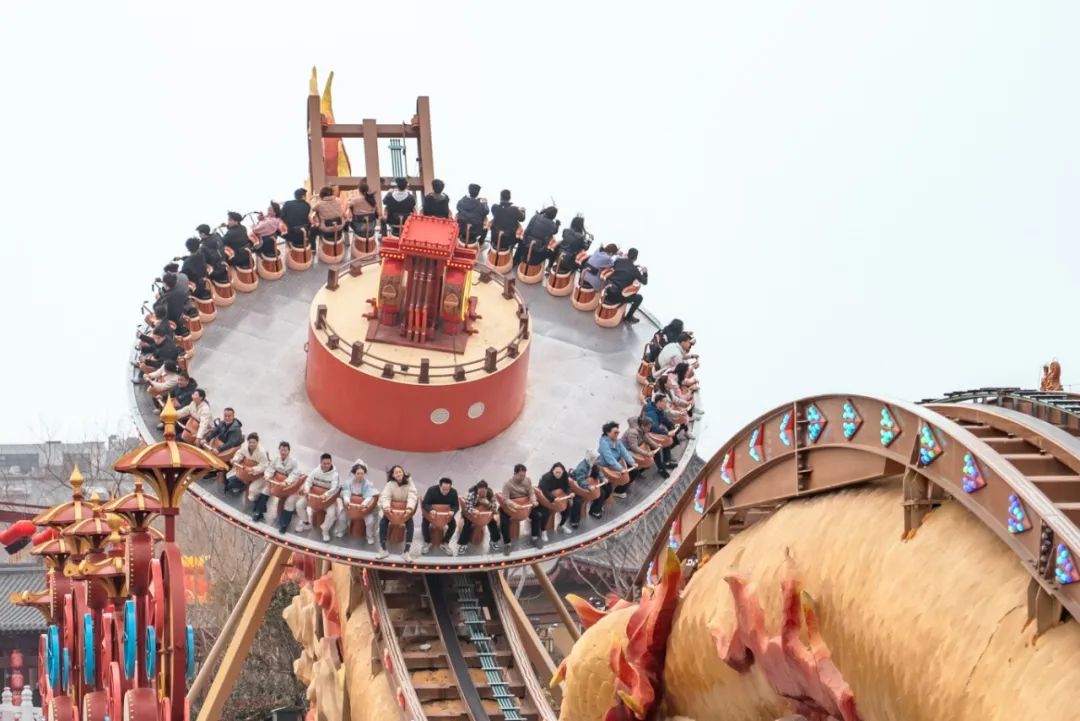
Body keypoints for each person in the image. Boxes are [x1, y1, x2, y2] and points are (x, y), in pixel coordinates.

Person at [294, 453, 341, 542]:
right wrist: (307, 489)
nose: (326, 465)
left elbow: (334, 488)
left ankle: (325, 530)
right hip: (313, 497)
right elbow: (308, 481)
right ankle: (306, 523)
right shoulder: (315, 471)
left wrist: (325, 495)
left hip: (327, 499)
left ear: (331, 462)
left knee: (331, 514)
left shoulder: (335, 475)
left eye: (328, 463)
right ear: (320, 462)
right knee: (299, 505)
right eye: (324, 463)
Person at [376, 465, 418, 560]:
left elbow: (412, 495)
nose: (398, 474)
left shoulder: (410, 482)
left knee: (410, 524)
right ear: (393, 475)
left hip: (405, 509)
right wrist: (386, 507)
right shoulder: (390, 484)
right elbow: (385, 496)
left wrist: (409, 508)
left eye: (400, 471)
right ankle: (383, 549)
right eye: (396, 472)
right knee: (383, 522)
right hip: (392, 509)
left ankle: (406, 551)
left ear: (403, 473)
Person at [500, 464, 544, 554]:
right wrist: (514, 505)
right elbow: (505, 499)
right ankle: (507, 544)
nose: (522, 477)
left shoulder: (527, 480)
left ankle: (535, 537)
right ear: (515, 474)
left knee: (537, 515)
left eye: (524, 475)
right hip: (512, 507)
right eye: (520, 475)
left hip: (525, 506)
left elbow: (531, 493)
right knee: (504, 522)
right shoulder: (507, 484)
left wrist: (533, 500)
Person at [335, 460, 379, 543]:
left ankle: (369, 536)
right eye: (358, 473)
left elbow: (369, 495)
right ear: (354, 474)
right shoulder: (348, 483)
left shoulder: (368, 484)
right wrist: (346, 499)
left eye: (362, 474)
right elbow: (346, 492)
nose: (360, 475)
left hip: (363, 508)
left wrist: (364, 503)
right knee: (342, 518)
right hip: (350, 507)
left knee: (370, 521)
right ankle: (342, 530)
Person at [603, 248, 648, 324]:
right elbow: (644, 282)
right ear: (636, 258)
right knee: (639, 298)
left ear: (627, 254)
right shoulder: (635, 270)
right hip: (618, 296)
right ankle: (628, 317)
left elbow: (620, 269)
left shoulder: (619, 261)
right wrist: (645, 273)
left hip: (608, 290)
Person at [264, 441, 301, 533]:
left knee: (289, 503)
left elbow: (295, 474)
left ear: (289, 451)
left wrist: (286, 482)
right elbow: (270, 469)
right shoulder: (276, 459)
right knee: (265, 491)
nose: (283, 452)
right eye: (281, 450)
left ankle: (284, 525)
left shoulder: (294, 462)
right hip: (278, 484)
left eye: (285, 450)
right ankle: (258, 512)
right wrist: (267, 475)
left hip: (291, 487)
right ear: (279, 450)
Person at [456, 480, 501, 554]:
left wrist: (487, 503)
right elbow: (467, 506)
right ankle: (463, 545)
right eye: (480, 492)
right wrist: (473, 510)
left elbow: (494, 506)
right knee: (467, 525)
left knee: (493, 524)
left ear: (486, 490)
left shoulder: (490, 494)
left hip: (485, 513)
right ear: (477, 490)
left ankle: (493, 541)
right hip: (472, 514)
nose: (482, 494)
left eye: (484, 491)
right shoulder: (472, 494)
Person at [225, 433, 271, 502]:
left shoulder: (262, 452)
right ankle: (242, 487)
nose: (251, 444)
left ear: (257, 442)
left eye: (253, 442)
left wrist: (253, 469)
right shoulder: (244, 447)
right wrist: (235, 459)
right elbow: (239, 454)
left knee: (253, 491)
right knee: (230, 480)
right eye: (250, 442)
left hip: (257, 475)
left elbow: (264, 465)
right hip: (244, 471)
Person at [598, 422, 638, 499]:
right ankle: (614, 492)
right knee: (622, 477)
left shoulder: (616, 441)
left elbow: (624, 452)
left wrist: (632, 462)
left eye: (618, 432)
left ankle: (620, 489)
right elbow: (609, 459)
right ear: (608, 433)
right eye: (615, 432)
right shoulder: (604, 443)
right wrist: (620, 468)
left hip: (616, 464)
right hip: (606, 467)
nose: (617, 434)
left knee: (634, 471)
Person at [538, 462, 579, 537]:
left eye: (560, 472)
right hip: (547, 498)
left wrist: (570, 493)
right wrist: (553, 498)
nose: (558, 474)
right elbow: (544, 491)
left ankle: (561, 525)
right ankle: (543, 530)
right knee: (546, 512)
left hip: (560, 496)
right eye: (556, 472)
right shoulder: (546, 477)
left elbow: (567, 487)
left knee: (568, 507)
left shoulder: (564, 475)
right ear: (552, 471)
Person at [420, 477, 459, 555]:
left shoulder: (454, 492)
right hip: (432, 514)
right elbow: (425, 503)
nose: (445, 492)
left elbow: (456, 506)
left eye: (447, 489)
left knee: (453, 525)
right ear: (439, 486)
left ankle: (445, 543)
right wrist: (430, 510)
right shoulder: (431, 490)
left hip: (446, 515)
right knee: (424, 523)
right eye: (443, 489)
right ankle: (427, 542)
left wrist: (453, 511)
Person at [570, 450, 610, 520]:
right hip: (578, 486)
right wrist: (588, 486)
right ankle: (575, 519)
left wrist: (603, 478)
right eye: (596, 459)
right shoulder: (582, 468)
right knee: (578, 501)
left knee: (602, 493)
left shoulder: (594, 464)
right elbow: (580, 480)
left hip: (588, 484)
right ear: (592, 459)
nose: (598, 461)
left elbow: (599, 472)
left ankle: (594, 510)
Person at [489, 189, 525, 256]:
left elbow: (502, 214)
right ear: (509, 198)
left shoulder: (494, 207)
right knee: (522, 240)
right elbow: (522, 219)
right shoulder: (514, 209)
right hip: (508, 240)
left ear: (500, 197)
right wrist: (523, 211)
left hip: (495, 238)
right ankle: (515, 259)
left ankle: (491, 248)